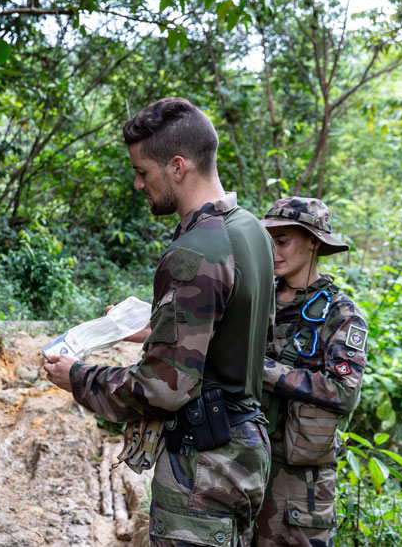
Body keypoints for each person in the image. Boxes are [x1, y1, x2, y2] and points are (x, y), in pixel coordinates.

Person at [43, 97, 275, 546]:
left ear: (177, 166)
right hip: (244, 452)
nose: (137, 184)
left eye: (142, 171)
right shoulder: (251, 230)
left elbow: (163, 389)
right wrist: (158, 330)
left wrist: (78, 377)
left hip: (203, 468)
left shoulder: (193, 252)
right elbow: (240, 335)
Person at [253, 197, 367, 546]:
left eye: (283, 240)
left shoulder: (341, 314)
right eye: (267, 240)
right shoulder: (258, 298)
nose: (273, 250)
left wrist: (263, 371)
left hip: (300, 486)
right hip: (245, 465)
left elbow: (344, 392)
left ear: (314, 242)